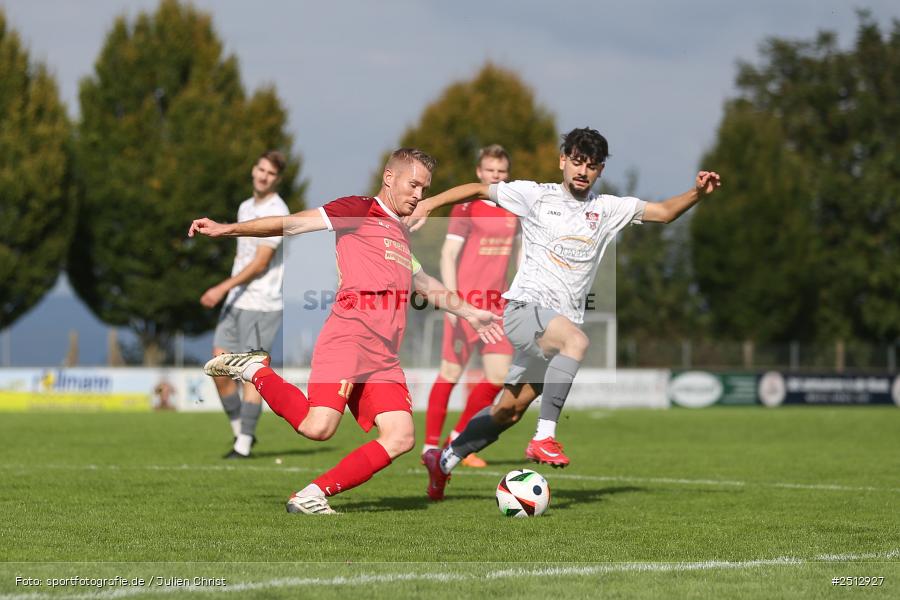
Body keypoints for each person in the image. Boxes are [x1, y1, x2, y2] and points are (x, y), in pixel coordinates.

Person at [410, 127, 721, 500]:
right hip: (524, 310)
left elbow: (665, 213)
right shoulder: (535, 195)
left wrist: (697, 194)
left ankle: (443, 460)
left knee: (509, 410)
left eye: (591, 165)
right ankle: (544, 438)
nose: (582, 171)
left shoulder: (606, 209)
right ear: (562, 161)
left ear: (600, 170)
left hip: (552, 331)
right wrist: (429, 204)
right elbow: (476, 190)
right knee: (577, 341)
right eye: (576, 161)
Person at [188, 148, 503, 514]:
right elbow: (291, 223)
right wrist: (228, 229)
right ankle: (256, 370)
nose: (418, 195)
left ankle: (311, 495)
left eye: (424, 187)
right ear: (389, 177)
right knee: (317, 427)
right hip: (350, 334)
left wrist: (471, 312)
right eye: (413, 184)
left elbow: (424, 283)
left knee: (400, 437)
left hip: (384, 352)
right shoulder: (358, 209)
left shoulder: (400, 232)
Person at [423, 144, 519, 468]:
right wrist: (452, 304)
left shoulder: (515, 209)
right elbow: (448, 255)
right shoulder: (466, 208)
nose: (497, 176)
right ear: (480, 173)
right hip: (466, 305)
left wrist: (519, 296)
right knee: (450, 373)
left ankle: (458, 439)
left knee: (499, 377)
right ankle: (428, 448)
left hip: (498, 307)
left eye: (502, 172)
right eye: (491, 170)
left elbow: (519, 257)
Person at [201, 151, 289, 459]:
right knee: (218, 364)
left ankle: (245, 442)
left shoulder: (279, 210)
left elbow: (260, 263)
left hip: (263, 303)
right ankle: (240, 431)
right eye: (261, 169)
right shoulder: (245, 207)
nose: (264, 176)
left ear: (278, 179)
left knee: (253, 371)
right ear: (254, 170)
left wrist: (220, 287)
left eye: (271, 173)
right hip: (236, 299)